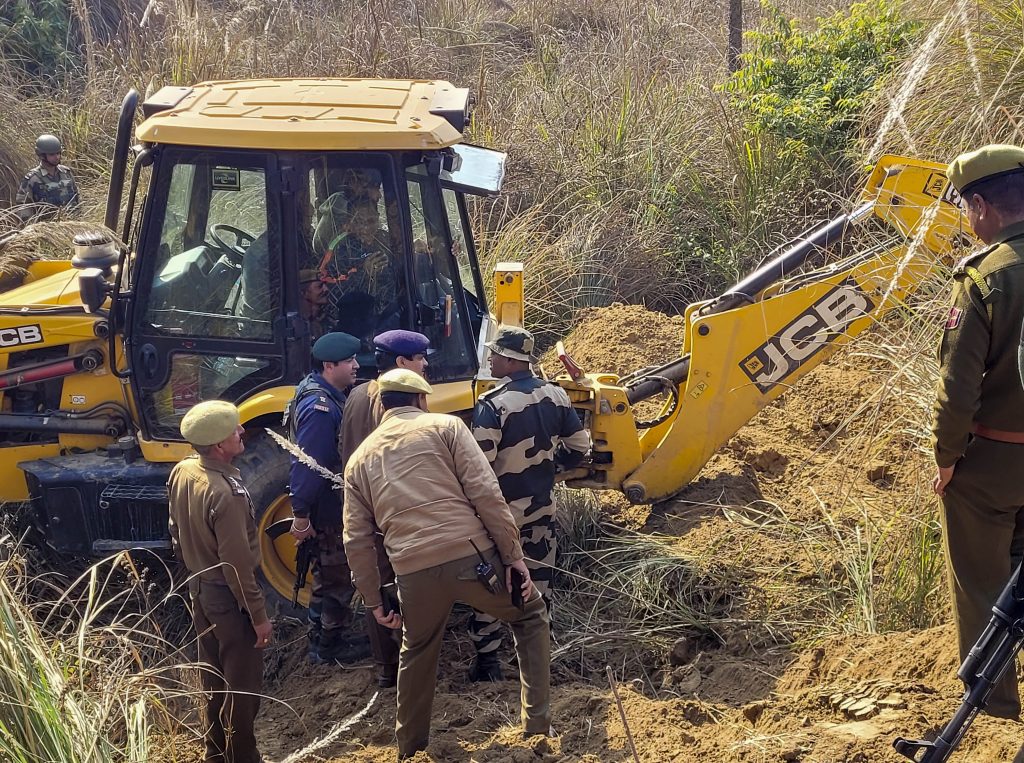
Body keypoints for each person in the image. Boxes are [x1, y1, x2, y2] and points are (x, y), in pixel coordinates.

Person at [343, 369, 552, 760]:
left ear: (382, 406)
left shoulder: (359, 459)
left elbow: (355, 540)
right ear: (421, 399)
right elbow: (487, 493)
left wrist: (373, 600)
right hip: (472, 558)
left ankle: (411, 750)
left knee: (417, 650)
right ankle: (537, 725)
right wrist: (514, 558)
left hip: (411, 572)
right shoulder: (447, 427)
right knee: (530, 616)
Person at [932, 144, 1024, 721]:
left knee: (982, 580)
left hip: (993, 461)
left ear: (984, 206)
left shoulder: (984, 278)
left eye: (967, 210)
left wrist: (946, 458)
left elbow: (957, 389)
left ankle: (993, 706)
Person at [468, 325, 591, 681]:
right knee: (538, 586)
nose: (490, 358)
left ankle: (488, 663)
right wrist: (551, 470)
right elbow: (580, 448)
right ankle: (536, 661)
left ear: (509, 360)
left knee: (491, 587)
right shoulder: (556, 395)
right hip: (541, 508)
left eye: (494, 354)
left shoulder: (492, 406)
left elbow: (479, 467)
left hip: (500, 519)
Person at [168, 400, 270, 763]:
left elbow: (175, 533)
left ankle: (214, 753)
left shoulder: (182, 472)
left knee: (212, 678)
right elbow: (237, 565)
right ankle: (242, 756)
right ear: (217, 446)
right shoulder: (226, 493)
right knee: (242, 687)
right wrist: (258, 616)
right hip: (229, 599)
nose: (242, 432)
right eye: (234, 430)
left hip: (201, 590)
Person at [339, 329, 432, 688]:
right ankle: (414, 665)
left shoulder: (356, 395)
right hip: (396, 510)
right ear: (401, 363)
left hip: (362, 508)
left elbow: (346, 450)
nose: (425, 364)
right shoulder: (405, 401)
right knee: (408, 583)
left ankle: (386, 669)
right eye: (419, 358)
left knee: (373, 586)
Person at [284, 331, 363, 664]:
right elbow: (309, 465)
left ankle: (319, 640)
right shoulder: (320, 408)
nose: (356, 366)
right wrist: (301, 515)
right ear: (330, 365)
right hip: (327, 509)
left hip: (325, 505)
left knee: (326, 575)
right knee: (337, 577)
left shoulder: (320, 390)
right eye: (349, 361)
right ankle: (330, 647)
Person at [15, 134, 80, 222]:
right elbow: (24, 208)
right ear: (42, 155)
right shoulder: (33, 179)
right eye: (52, 154)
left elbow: (77, 198)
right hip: (47, 230)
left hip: (71, 226)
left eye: (58, 153)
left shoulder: (66, 173)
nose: (57, 157)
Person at [299, 268, 329, 339]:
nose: (326, 289)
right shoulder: (295, 323)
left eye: (325, 284)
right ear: (303, 292)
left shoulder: (326, 320)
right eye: (320, 286)